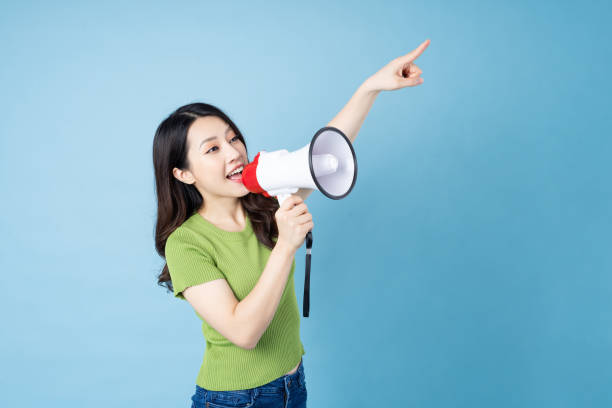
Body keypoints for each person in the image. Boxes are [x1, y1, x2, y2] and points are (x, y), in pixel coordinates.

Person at [152, 39, 429, 408]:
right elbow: (244, 332)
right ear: (184, 174)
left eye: (233, 138)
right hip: (235, 399)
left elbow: (326, 153)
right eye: (213, 148)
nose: (234, 151)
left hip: (292, 385)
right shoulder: (186, 244)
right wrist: (285, 245)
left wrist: (370, 87)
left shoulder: (263, 202)